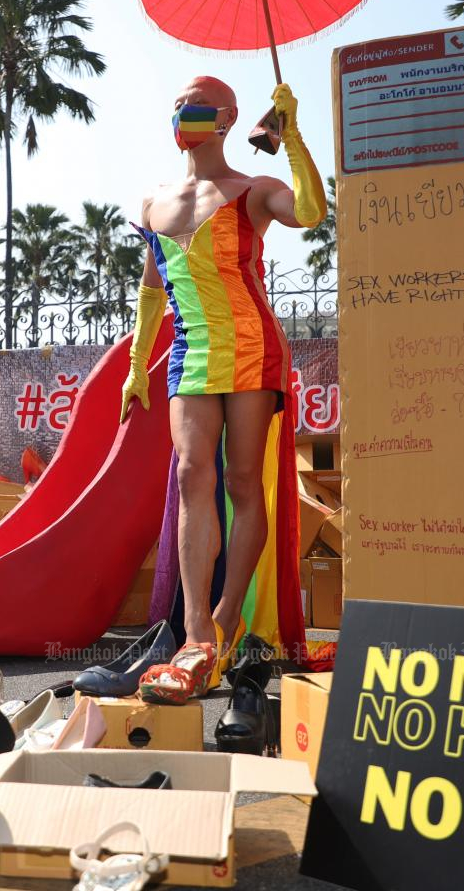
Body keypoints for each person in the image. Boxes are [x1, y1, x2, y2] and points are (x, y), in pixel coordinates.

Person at [124, 78, 326, 704]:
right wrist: (138, 363)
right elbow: (154, 287)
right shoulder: (153, 200)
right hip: (188, 352)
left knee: (241, 483)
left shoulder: (253, 191)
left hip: (251, 349)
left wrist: (292, 141)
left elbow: (314, 213)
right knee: (190, 475)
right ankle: (194, 635)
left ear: (230, 119)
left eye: (199, 107)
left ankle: (229, 614)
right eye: (178, 105)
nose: (184, 114)